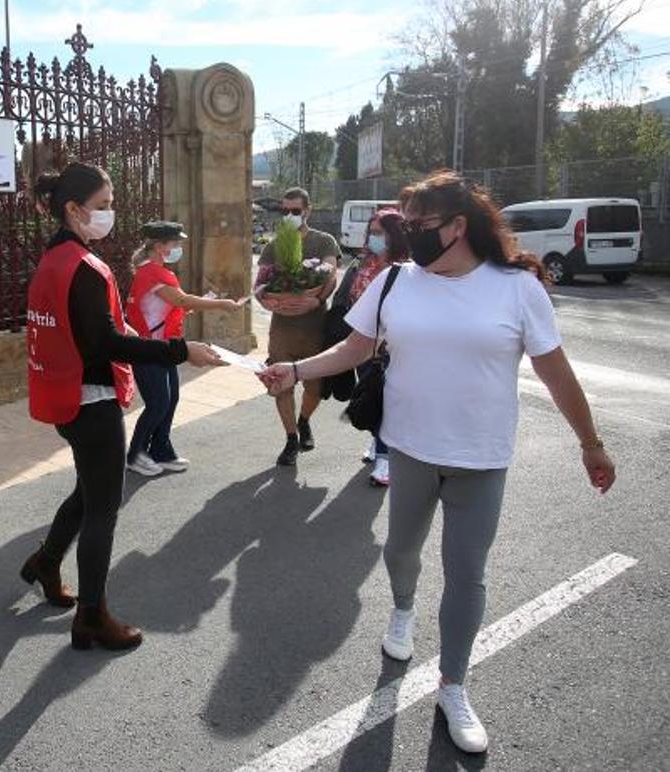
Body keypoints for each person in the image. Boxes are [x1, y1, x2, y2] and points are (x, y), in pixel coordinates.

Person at [259, 171, 615, 754]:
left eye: (418, 225)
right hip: (410, 448)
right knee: (401, 553)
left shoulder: (516, 289)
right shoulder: (398, 281)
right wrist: (293, 371)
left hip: (481, 456)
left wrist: (590, 442)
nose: (407, 235)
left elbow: (556, 372)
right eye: (404, 225)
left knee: (466, 572)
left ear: (457, 226)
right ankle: (403, 609)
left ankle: (454, 684)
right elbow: (354, 348)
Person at [23, 162, 224, 652]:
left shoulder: (54, 259)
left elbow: (91, 329)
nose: (111, 214)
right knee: (103, 510)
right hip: (90, 399)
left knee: (88, 491)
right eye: (103, 206)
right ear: (73, 209)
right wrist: (182, 351)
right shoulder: (85, 268)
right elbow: (106, 343)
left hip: (64, 396)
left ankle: (46, 562)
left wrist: (128, 334)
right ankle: (91, 616)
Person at [124, 220, 248, 476]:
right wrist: (222, 304)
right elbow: (180, 299)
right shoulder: (152, 272)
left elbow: (170, 305)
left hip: (164, 347)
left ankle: (160, 449)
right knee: (158, 403)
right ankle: (136, 454)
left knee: (170, 400)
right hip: (149, 349)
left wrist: (187, 307)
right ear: (160, 247)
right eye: (175, 242)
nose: (179, 246)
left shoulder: (154, 271)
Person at [254, 188, 341, 466]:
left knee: (315, 388)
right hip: (282, 330)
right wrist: (265, 301)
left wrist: (316, 300)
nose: (290, 215)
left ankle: (304, 421)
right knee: (282, 386)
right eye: (285, 211)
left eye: (295, 210)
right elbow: (260, 283)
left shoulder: (323, 240)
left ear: (308, 210)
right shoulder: (273, 245)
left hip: (315, 328)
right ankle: (291, 439)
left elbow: (330, 273)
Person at [327, 208, 410, 486]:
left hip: (392, 346)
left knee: (388, 400)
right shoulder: (365, 262)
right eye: (371, 232)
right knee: (372, 394)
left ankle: (386, 459)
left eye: (379, 233)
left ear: (394, 235)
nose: (373, 238)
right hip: (364, 341)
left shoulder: (405, 268)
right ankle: (377, 443)